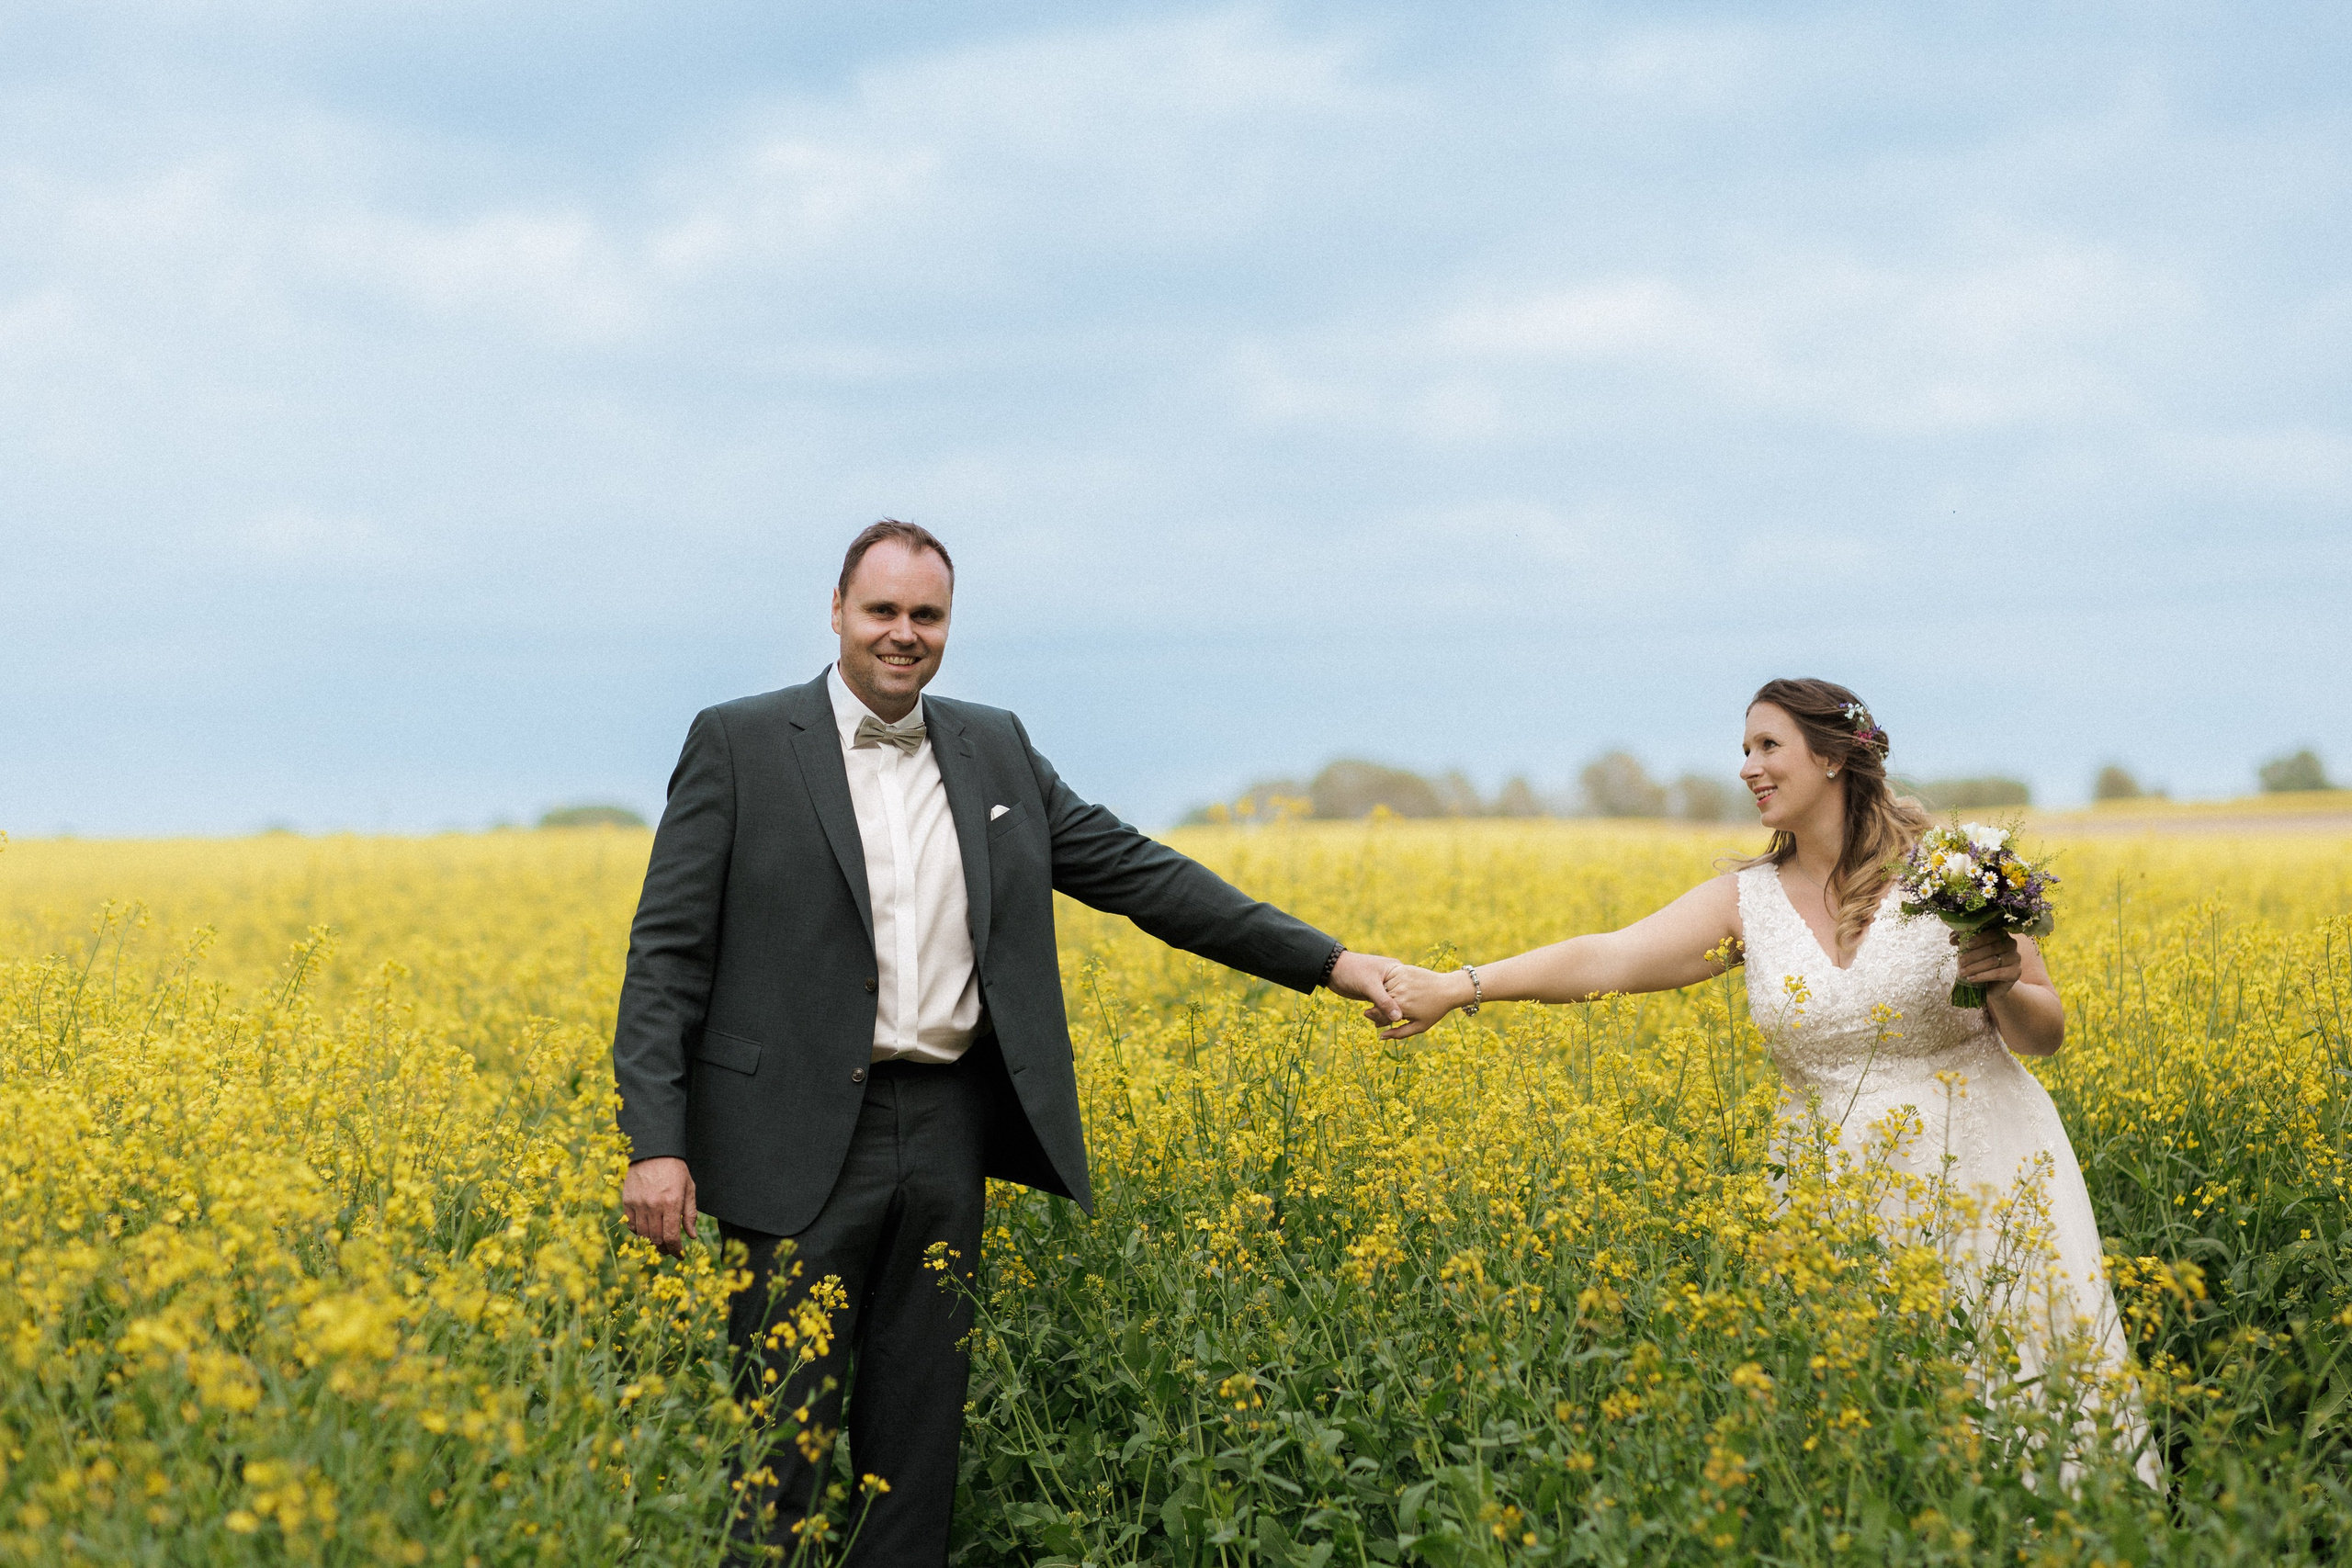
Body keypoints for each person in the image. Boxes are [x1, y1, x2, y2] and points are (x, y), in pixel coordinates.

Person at [611, 520, 1404, 1562]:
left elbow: (1142, 875)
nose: (903, 633)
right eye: (882, 610)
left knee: (917, 1450)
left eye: (926, 615)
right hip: (786, 1134)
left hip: (945, 1127)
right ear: (837, 613)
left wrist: (1333, 963)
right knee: (775, 1452)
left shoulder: (995, 747)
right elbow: (666, 956)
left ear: (948, 625)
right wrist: (656, 1142)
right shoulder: (739, 741)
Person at [1376, 677, 2160, 1488]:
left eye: (1767, 745)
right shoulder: (1746, 902)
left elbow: (2044, 1033)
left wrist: (2002, 983)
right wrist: (1459, 985)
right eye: (1745, 749)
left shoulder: (1956, 871)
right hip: (1831, 1192)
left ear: (1833, 757)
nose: (1748, 766)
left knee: (2017, 1398)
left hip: (1989, 1170)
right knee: (1868, 1431)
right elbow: (1608, 956)